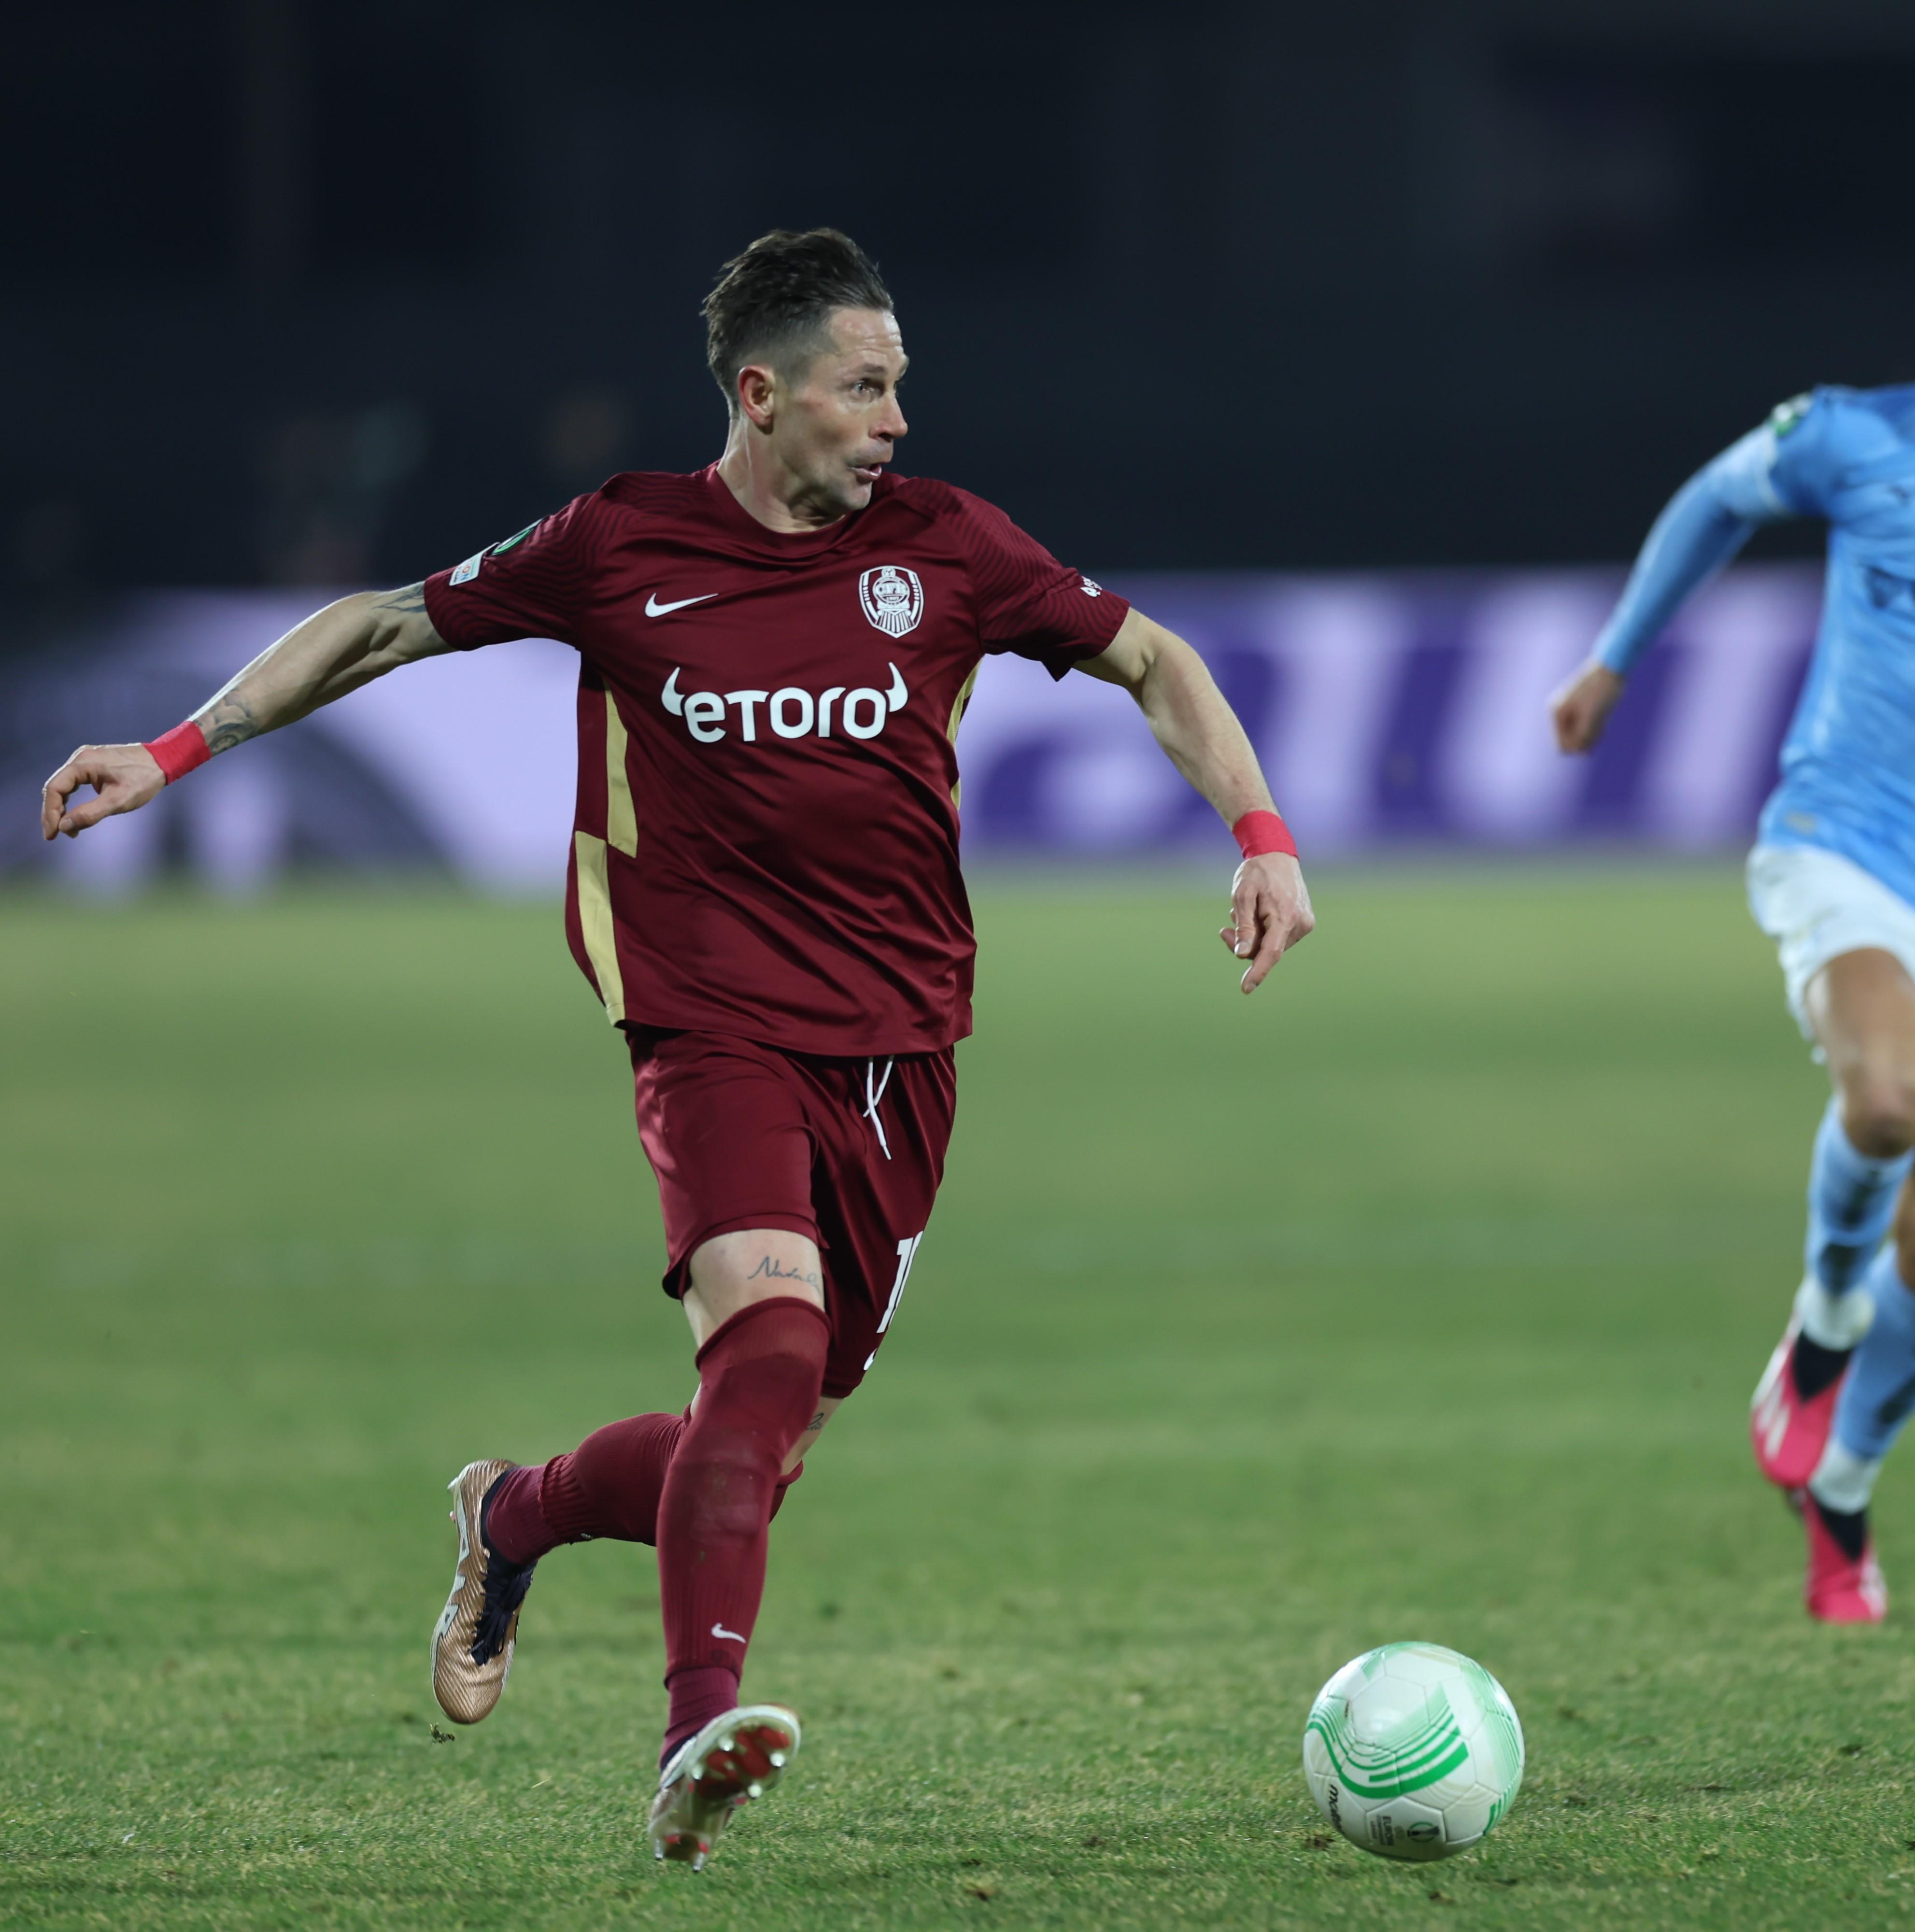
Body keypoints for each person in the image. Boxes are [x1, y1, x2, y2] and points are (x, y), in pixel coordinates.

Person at [40, 229, 1314, 1867]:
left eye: (901, 387)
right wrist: (174, 750)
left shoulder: (950, 549)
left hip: (903, 1047)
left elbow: (1153, 658)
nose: (897, 421)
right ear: (761, 395)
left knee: (756, 1460)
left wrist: (1262, 833)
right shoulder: (618, 543)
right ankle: (694, 1729)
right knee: (763, 1356)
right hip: (707, 1026)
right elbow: (379, 628)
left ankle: (511, 1511)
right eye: (866, 388)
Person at [1550, 375, 1915, 1626]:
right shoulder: (1856, 436)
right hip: (1851, 847)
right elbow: (1716, 500)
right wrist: (1614, 659)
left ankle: (1845, 1483)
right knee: (1891, 1102)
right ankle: (1824, 1320)